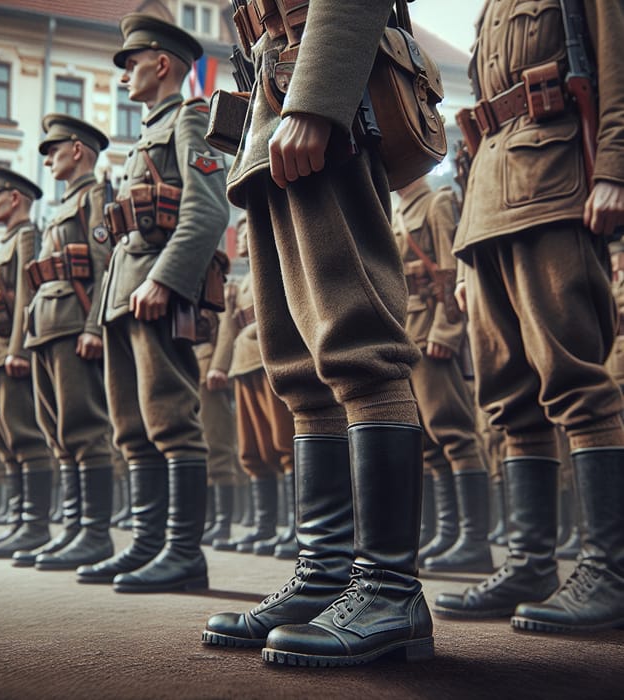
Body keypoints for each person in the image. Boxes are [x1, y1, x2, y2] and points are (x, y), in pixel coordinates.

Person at [202, 1, 433, 667]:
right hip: (278, 94)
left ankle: (389, 591)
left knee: (356, 341)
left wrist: (315, 100)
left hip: (317, 95)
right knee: (300, 366)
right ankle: (326, 577)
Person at [434, 0, 624, 633]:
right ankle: (530, 562)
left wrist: (615, 172)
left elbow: (616, 72)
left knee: (575, 381)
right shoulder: (490, 10)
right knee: (508, 398)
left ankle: (609, 569)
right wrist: (464, 246)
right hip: (487, 205)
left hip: (555, 184)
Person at [75, 14, 228, 591]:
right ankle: (147, 545)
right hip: (125, 295)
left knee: (170, 420)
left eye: (131, 64)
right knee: (132, 427)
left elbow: (208, 210)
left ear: (161, 64)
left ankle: (184, 554)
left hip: (156, 294)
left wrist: (165, 280)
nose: (124, 78)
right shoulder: (146, 134)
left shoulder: (189, 122)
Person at [11, 115, 115, 571]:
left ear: (77, 150)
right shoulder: (60, 205)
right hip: (46, 328)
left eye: (53, 150)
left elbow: (103, 263)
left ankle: (94, 533)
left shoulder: (95, 196)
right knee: (58, 435)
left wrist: (94, 326)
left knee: (85, 430)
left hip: (74, 325)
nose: (48, 158)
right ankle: (73, 529)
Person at [393, 176, 493, 574]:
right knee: (430, 444)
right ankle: (449, 534)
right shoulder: (398, 210)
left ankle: (474, 541)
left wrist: (447, 331)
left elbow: (450, 268)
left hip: (432, 334)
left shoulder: (436, 203)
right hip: (408, 336)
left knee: (454, 434)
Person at [0, 167, 57, 559]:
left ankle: (34, 526)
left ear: (14, 198)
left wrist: (18, 350)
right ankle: (20, 521)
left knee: (24, 436)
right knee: (3, 440)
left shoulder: (25, 237)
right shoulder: (5, 241)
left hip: (9, 351)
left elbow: (23, 295)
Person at [208, 217, 296, 558]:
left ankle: (297, 528)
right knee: (252, 450)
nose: (242, 236)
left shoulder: (278, 266)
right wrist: (220, 367)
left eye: (248, 229)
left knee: (285, 445)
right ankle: (265, 526)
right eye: (240, 230)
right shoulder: (238, 285)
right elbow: (228, 330)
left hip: (272, 361)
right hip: (243, 366)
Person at [194, 306, 240, 547]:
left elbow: (225, 326)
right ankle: (211, 521)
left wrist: (219, 365)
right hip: (190, 372)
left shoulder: (215, 278)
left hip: (208, 373)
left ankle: (223, 525)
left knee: (217, 447)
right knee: (201, 451)